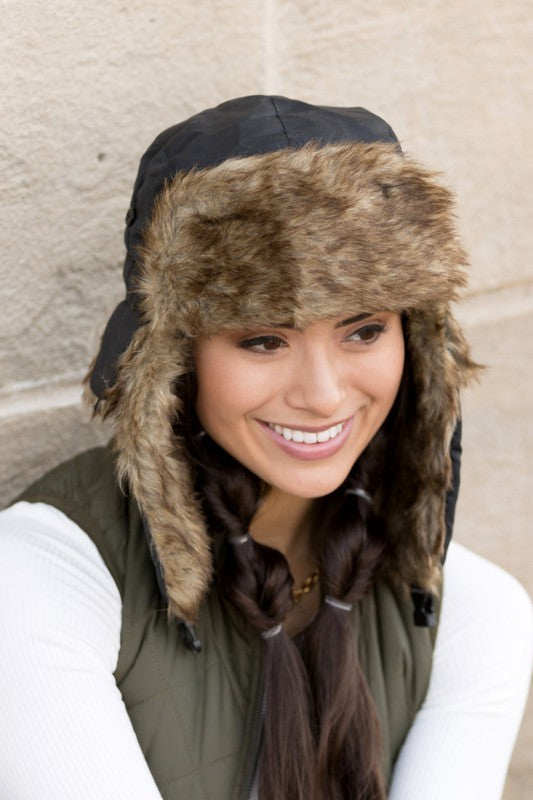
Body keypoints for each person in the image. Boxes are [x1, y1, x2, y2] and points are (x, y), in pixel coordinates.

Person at [0, 95, 531, 800]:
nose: (321, 393)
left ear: (416, 338)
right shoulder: (46, 576)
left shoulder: (467, 610)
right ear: (175, 356)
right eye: (262, 339)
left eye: (363, 330)